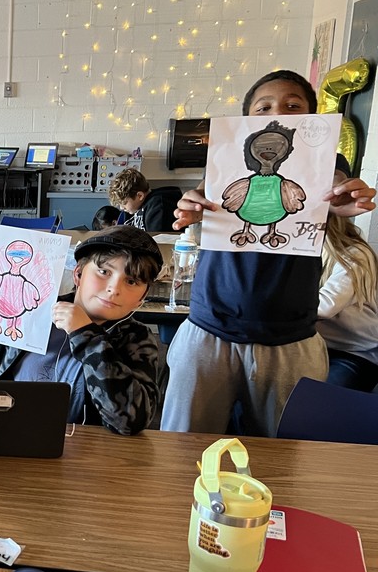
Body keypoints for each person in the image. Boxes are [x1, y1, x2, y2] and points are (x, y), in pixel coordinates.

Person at [161, 70, 377, 436]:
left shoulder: (326, 162)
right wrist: (190, 205)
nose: (279, 112)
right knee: (184, 449)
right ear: (246, 119)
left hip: (291, 339)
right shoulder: (225, 158)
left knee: (286, 456)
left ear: (310, 118)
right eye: (264, 106)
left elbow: (337, 178)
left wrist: (344, 191)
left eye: (294, 105)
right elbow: (202, 193)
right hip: (209, 328)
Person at [0, 225, 163, 435]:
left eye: (132, 281)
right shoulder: (36, 312)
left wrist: (86, 336)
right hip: (5, 431)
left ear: (141, 299)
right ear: (78, 274)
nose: (114, 289)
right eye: (104, 271)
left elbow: (131, 421)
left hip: (83, 450)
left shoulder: (136, 339)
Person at [317, 154, 378, 391]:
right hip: (312, 346)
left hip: (357, 352)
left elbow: (326, 305)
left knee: (323, 405)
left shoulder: (354, 253)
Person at [107, 168, 182, 232]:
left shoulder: (159, 206)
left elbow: (156, 241)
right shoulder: (133, 208)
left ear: (140, 196)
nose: (121, 208)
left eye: (125, 203)